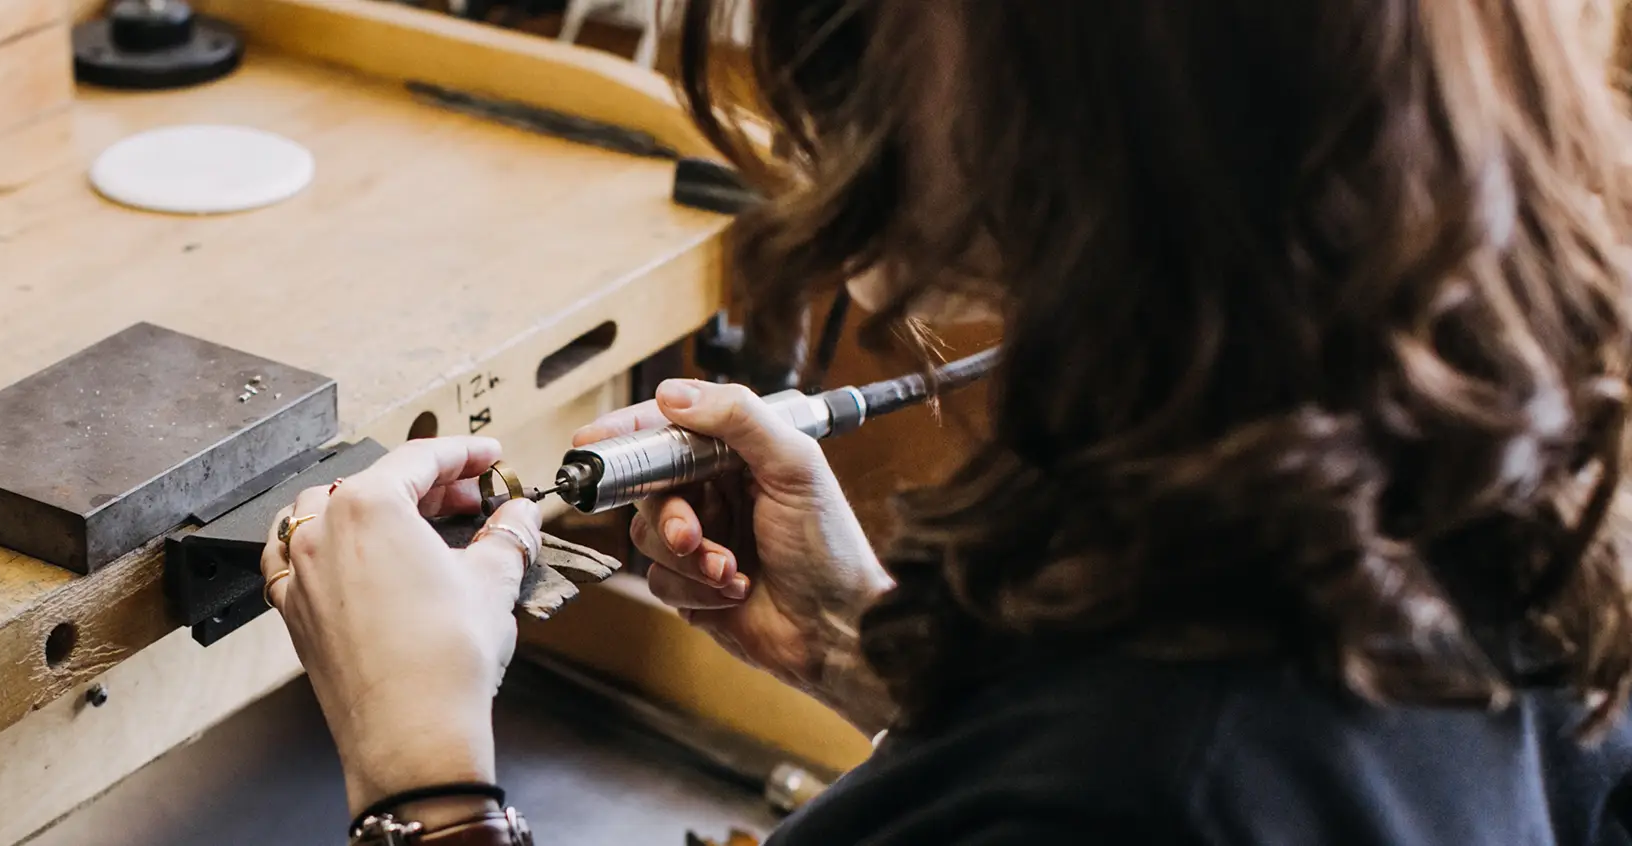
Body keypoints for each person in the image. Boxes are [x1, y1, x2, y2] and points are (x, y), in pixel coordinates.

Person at [258, 1, 1632, 843]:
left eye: (878, 115)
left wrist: (421, 774)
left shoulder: (1161, 791)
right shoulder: (1519, 472)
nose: (868, 265)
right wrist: (889, 667)